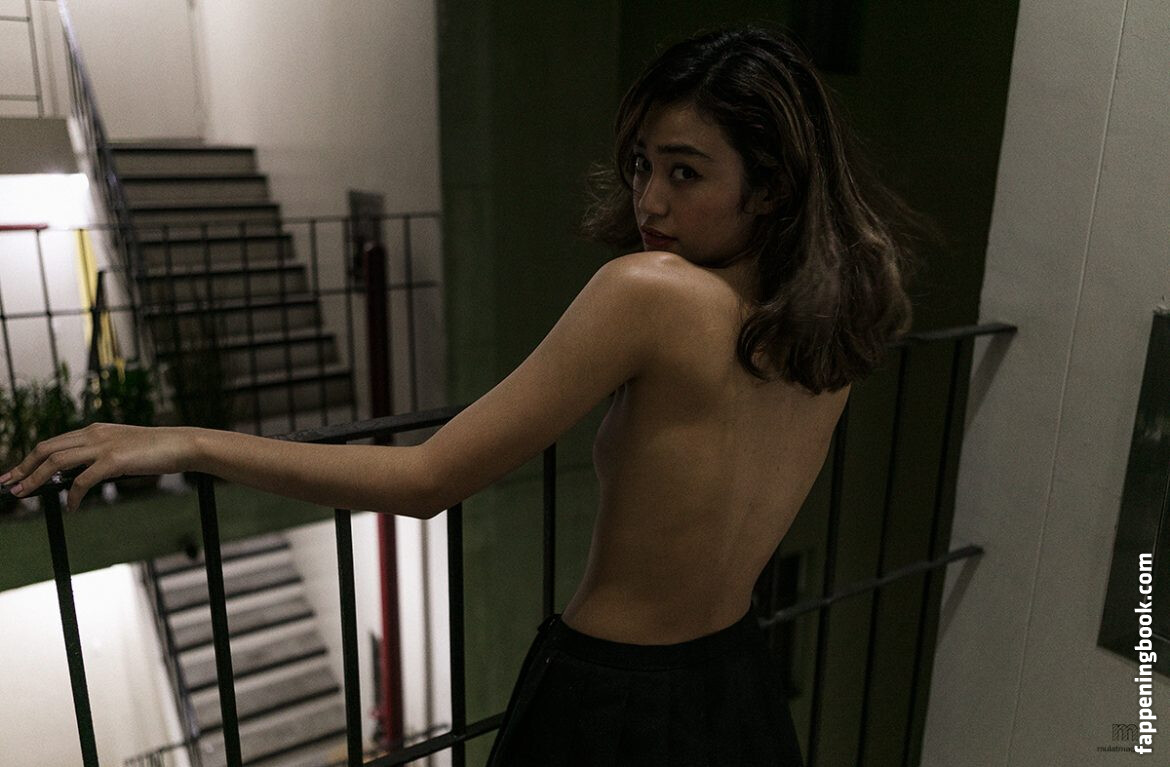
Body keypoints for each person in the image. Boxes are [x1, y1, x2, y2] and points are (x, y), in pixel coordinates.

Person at [3, 23, 930, 767]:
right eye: (643, 163)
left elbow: (428, 479)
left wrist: (187, 441)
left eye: (685, 171)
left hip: (611, 698)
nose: (650, 199)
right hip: (737, 679)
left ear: (769, 187)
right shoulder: (840, 317)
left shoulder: (650, 295)